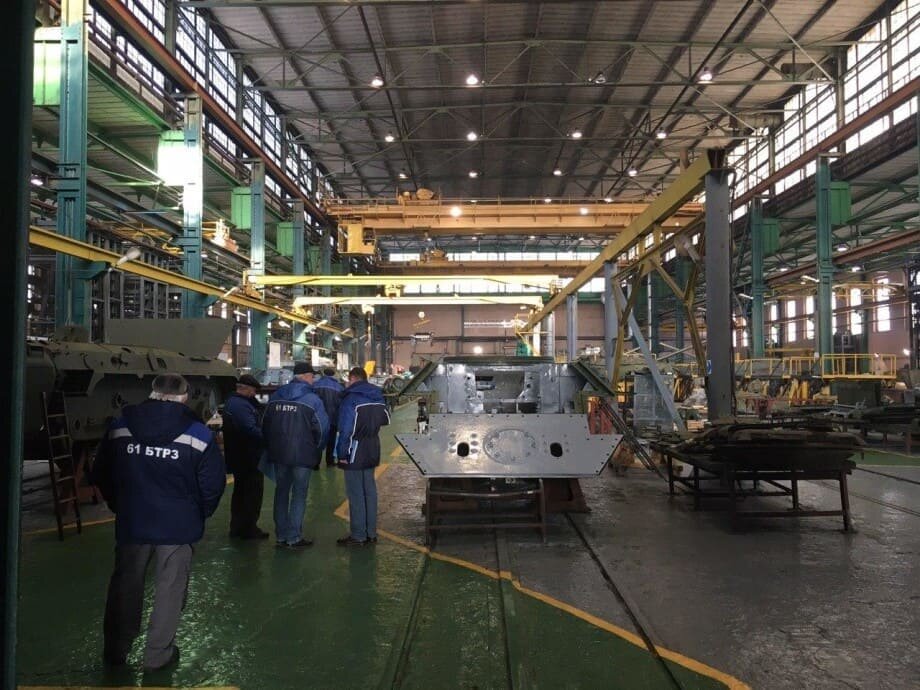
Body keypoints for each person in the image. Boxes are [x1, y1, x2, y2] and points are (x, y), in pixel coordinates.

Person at [91, 373, 225, 672]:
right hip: (178, 525)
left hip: (133, 520)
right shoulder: (198, 434)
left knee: (125, 585)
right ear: (184, 396)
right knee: (170, 589)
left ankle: (115, 651)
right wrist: (198, 513)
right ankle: (157, 656)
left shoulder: (121, 426)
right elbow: (212, 485)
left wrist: (120, 505)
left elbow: (102, 472)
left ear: (152, 392)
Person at [262, 361, 328, 549]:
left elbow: (265, 424)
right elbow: (322, 429)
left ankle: (281, 536)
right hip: (303, 455)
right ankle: (294, 538)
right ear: (306, 376)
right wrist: (316, 450)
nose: (313, 380)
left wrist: (271, 446)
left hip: (279, 454)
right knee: (299, 495)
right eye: (312, 376)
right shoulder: (313, 400)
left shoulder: (276, 396)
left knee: (281, 492)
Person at [335, 367, 390, 546]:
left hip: (354, 449)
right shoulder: (377, 396)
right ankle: (371, 533)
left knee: (355, 493)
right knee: (369, 491)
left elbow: (346, 430)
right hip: (372, 446)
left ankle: (358, 535)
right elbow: (386, 419)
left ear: (352, 379)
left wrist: (342, 453)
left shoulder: (350, 399)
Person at [221, 374, 267, 539]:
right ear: (245, 389)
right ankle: (248, 529)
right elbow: (250, 429)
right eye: (253, 391)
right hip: (247, 456)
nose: (254, 394)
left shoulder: (235, 402)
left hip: (240, 455)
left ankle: (238, 527)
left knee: (241, 493)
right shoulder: (240, 405)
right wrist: (269, 437)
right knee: (251, 493)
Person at [312, 367, 344, 467]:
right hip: (333, 418)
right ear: (333, 375)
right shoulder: (339, 387)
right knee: (331, 441)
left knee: (317, 439)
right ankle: (330, 462)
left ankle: (315, 463)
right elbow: (341, 405)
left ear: (324, 374)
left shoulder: (315, 385)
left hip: (318, 419)